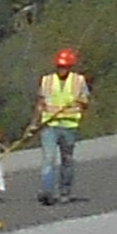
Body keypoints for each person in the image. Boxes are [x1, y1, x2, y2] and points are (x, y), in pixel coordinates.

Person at [34, 45, 90, 206]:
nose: (62, 69)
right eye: (59, 66)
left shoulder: (78, 81)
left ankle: (65, 192)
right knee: (49, 158)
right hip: (49, 125)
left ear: (70, 66)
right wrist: (35, 123)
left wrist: (81, 101)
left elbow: (86, 102)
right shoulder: (47, 80)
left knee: (67, 160)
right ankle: (47, 191)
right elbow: (40, 102)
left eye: (65, 66)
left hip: (69, 127)